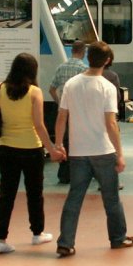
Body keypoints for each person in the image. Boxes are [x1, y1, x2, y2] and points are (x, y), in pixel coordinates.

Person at [53, 41, 133, 258]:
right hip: (103, 150)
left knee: (74, 197)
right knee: (111, 198)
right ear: (107, 61)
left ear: (88, 57)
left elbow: (62, 117)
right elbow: (111, 123)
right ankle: (118, 238)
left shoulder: (71, 84)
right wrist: (120, 153)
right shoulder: (107, 87)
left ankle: (65, 242)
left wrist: (59, 144)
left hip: (78, 151)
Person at [0, 53, 63, 254]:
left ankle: (0, 239)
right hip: (31, 150)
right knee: (35, 194)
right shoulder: (35, 92)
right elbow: (39, 125)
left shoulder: (0, 88)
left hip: (5, 148)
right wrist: (52, 149)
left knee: (6, 195)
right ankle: (37, 233)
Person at [48, 40, 87, 184]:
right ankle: (79, 173)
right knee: (78, 143)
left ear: (72, 51)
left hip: (63, 111)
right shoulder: (84, 69)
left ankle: (64, 174)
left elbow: (52, 89)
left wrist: (60, 102)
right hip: (78, 112)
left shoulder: (61, 67)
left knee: (64, 141)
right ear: (83, 52)